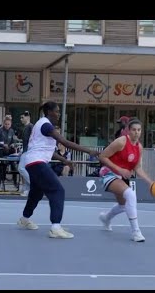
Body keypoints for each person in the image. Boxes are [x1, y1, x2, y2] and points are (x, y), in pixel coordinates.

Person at [16, 101, 99, 239]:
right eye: (57, 111)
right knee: (57, 190)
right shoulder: (46, 125)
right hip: (37, 162)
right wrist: (89, 151)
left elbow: (48, 150)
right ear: (49, 112)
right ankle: (55, 227)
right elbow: (65, 142)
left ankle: (24, 219)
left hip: (32, 162)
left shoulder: (41, 124)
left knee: (36, 193)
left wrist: (64, 160)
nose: (59, 114)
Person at [98, 118, 154, 242]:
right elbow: (102, 156)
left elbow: (137, 168)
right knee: (130, 194)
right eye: (134, 130)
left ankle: (106, 218)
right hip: (108, 172)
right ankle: (136, 232)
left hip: (122, 176)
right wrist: (120, 169)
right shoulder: (121, 142)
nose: (136, 132)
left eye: (139, 130)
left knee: (123, 205)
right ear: (128, 130)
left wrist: (150, 182)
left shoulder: (139, 147)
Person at [18, 111, 34, 196]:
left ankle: (34, 184)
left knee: (21, 168)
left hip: (28, 151)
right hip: (25, 150)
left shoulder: (31, 126)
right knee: (26, 170)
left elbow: (33, 139)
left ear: (27, 117)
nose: (21, 119)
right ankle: (28, 190)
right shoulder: (25, 127)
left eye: (22, 117)